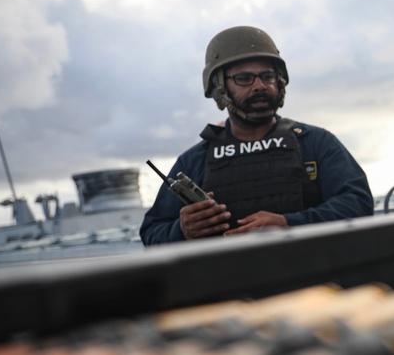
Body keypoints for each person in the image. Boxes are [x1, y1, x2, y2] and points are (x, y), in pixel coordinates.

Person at [141, 26, 374, 245]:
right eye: (244, 79)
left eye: (268, 76)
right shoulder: (195, 160)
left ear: (280, 81)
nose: (260, 86)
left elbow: (358, 203)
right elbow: (152, 232)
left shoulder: (314, 142)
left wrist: (288, 224)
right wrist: (182, 230)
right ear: (220, 87)